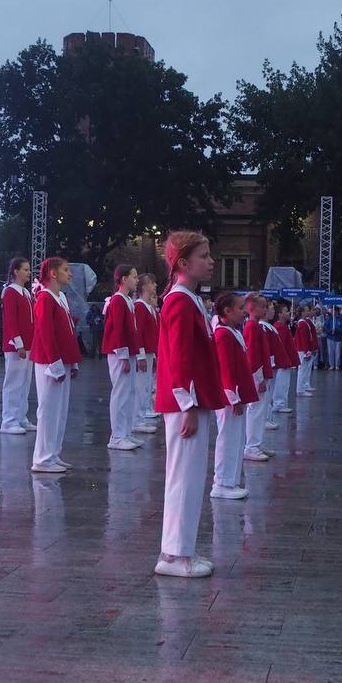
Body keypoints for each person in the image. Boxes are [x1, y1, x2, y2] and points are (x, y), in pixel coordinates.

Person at [154, 232, 227, 578]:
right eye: (204, 255)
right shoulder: (181, 301)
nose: (211, 261)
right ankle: (176, 554)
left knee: (188, 477)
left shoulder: (186, 300)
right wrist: (187, 404)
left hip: (191, 399)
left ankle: (177, 551)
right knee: (185, 477)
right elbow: (180, 358)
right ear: (183, 263)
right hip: (187, 402)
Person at [29, 257, 82, 473]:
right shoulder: (45, 298)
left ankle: (53, 453)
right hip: (49, 360)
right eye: (66, 270)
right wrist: (55, 362)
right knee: (48, 409)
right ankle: (42, 458)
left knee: (60, 410)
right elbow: (45, 331)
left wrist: (73, 361)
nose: (70, 274)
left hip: (63, 358)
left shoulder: (60, 297)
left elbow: (68, 330)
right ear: (52, 273)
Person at [211, 292, 256, 500]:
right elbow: (225, 369)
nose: (243, 311)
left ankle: (231, 480)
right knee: (228, 438)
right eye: (240, 308)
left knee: (236, 438)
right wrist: (233, 397)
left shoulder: (232, 331)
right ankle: (222, 482)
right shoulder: (222, 334)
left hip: (236, 395)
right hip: (230, 397)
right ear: (227, 312)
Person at [101, 264, 143, 451]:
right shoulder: (118, 300)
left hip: (128, 351)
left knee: (128, 393)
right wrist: (123, 355)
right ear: (124, 279)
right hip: (119, 353)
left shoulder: (126, 300)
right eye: (134, 276)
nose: (137, 280)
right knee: (120, 393)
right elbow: (118, 329)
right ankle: (117, 436)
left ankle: (125, 433)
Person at [0, 257, 37, 435]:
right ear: (15, 271)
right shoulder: (10, 292)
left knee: (25, 382)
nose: (29, 273)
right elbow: (11, 320)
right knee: (13, 383)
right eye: (25, 270)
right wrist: (18, 343)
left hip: (29, 345)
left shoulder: (26, 293)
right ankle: (9, 421)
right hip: (16, 346)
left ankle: (21, 417)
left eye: (29, 270)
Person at [243, 294, 275, 461]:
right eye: (262, 307)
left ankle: (256, 443)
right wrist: (258, 378)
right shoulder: (252, 327)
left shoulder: (256, 326)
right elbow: (253, 356)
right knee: (256, 411)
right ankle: (251, 446)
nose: (265, 309)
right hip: (258, 375)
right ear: (251, 308)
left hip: (262, 373)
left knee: (260, 411)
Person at [134, 274, 161, 425]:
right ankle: (138, 418)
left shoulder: (147, 307)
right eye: (152, 283)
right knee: (141, 385)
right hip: (144, 352)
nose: (155, 285)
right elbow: (139, 333)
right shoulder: (139, 306)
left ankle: (142, 414)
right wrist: (141, 355)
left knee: (146, 385)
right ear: (144, 287)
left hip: (150, 351)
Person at [271, 302, 299, 415]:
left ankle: (281, 403)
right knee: (281, 383)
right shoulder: (280, 327)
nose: (288, 313)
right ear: (280, 314)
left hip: (286, 359)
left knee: (284, 382)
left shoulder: (282, 326)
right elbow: (281, 345)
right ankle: (279, 403)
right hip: (283, 361)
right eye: (286, 311)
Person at [294, 305, 318, 395]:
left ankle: (303, 386)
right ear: (302, 313)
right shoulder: (302, 324)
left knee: (305, 369)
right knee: (302, 370)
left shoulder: (304, 322)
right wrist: (306, 351)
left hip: (304, 349)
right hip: (302, 350)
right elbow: (304, 339)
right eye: (307, 311)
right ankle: (300, 389)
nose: (308, 312)